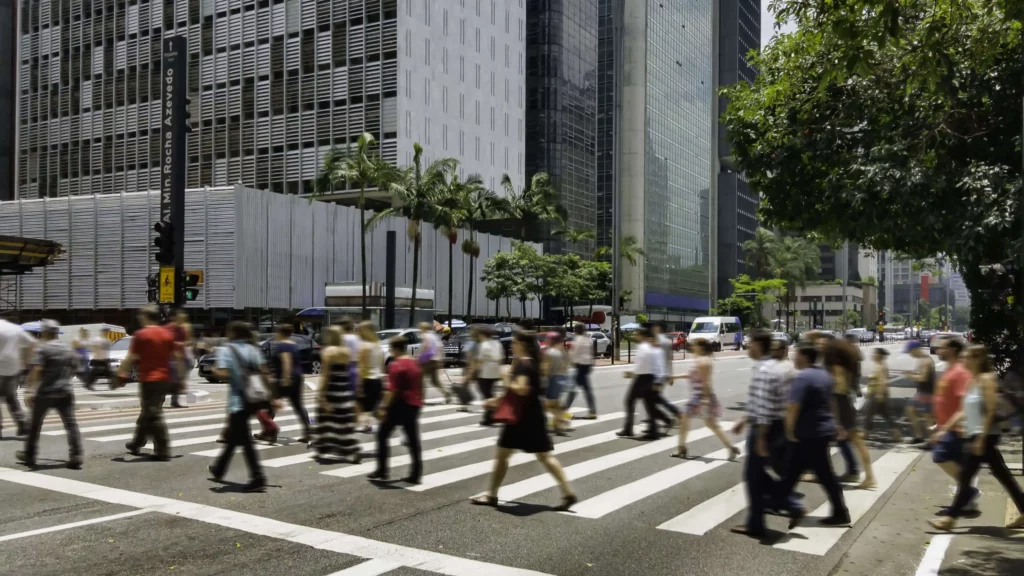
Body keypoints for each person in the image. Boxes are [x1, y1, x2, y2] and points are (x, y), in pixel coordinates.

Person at [470, 332, 576, 510]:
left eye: (514, 342)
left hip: (519, 418)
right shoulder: (533, 363)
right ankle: (568, 493)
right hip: (534, 416)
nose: (512, 346)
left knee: (502, 456)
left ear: (522, 344)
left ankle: (491, 495)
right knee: (544, 456)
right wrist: (495, 401)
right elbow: (522, 392)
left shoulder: (523, 364)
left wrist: (505, 377)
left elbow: (521, 389)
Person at [928, 345, 1024, 530]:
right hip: (977, 435)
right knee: (1003, 475)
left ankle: (950, 518)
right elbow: (963, 410)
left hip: (985, 435)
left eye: (967, 357)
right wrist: (944, 429)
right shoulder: (973, 379)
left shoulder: (987, 379)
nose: (963, 360)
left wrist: (981, 438)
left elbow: (990, 410)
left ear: (977, 358)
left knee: (966, 477)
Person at [779, 344, 851, 528]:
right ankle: (783, 504)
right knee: (792, 472)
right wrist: (836, 424)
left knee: (821, 474)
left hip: (808, 433)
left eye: (796, 354)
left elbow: (793, 406)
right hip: (822, 432)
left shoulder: (803, 377)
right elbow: (832, 401)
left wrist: (788, 430)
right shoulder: (824, 375)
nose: (793, 357)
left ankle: (839, 512)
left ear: (804, 357)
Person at [730, 330, 789, 537]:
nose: (747, 347)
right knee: (757, 474)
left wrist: (762, 437)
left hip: (765, 427)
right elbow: (758, 400)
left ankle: (787, 507)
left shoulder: (765, 369)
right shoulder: (769, 366)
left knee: (753, 476)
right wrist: (743, 419)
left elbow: (764, 405)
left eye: (750, 343)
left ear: (758, 345)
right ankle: (784, 507)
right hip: (772, 425)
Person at [208, 321, 268, 492]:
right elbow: (264, 372)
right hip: (253, 399)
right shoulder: (253, 349)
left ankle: (258, 477)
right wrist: (272, 397)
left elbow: (225, 373)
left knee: (246, 441)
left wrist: (215, 370)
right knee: (235, 438)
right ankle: (219, 469)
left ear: (232, 333)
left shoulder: (227, 350)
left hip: (238, 401)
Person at [16, 320, 83, 469]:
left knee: (35, 424)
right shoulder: (68, 349)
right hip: (65, 392)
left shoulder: (43, 349)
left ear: (45, 332)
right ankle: (76, 455)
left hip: (46, 392)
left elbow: (37, 369)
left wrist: (29, 390)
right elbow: (74, 369)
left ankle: (30, 455)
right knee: (71, 424)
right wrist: (64, 380)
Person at [117, 306, 181, 461]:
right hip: (164, 379)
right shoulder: (167, 334)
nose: (139, 318)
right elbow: (177, 356)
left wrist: (120, 374)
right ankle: (136, 443)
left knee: (154, 413)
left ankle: (163, 450)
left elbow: (131, 357)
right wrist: (180, 378)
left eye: (141, 315)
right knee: (148, 412)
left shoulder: (141, 335)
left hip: (149, 380)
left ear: (146, 317)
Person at [927, 337, 980, 510]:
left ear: (953, 350)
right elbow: (944, 399)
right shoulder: (949, 370)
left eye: (943, 348)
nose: (938, 350)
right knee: (960, 464)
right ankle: (968, 500)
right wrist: (937, 422)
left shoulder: (960, 372)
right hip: (947, 426)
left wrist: (946, 428)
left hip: (957, 428)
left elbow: (964, 403)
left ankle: (969, 492)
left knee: (940, 456)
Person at [369, 337, 424, 483]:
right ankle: (416, 473)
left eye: (391, 349)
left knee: (382, 435)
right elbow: (420, 385)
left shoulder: (396, 365)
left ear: (396, 349)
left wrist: (383, 407)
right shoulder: (415, 363)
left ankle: (382, 470)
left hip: (399, 405)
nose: (390, 351)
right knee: (413, 440)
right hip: (414, 404)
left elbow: (392, 390)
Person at [674, 339, 738, 459]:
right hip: (702, 396)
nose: (692, 346)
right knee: (711, 424)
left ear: (701, 347)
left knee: (685, 420)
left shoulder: (703, 361)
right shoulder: (702, 359)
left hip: (699, 396)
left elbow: (706, 381)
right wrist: (674, 377)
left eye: (695, 345)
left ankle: (681, 448)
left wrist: (705, 399)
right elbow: (692, 375)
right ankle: (731, 447)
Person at [825, 338, 876, 489]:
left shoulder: (837, 367)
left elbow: (838, 388)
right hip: (845, 403)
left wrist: (835, 415)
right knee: (856, 441)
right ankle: (867, 475)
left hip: (841, 405)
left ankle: (869, 477)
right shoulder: (848, 366)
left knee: (856, 441)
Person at [311, 326, 361, 464]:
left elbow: (325, 375)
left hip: (332, 390)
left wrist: (320, 394)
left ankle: (323, 447)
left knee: (325, 420)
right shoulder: (346, 351)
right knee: (344, 422)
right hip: (344, 389)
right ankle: (351, 448)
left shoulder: (328, 352)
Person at [617, 328, 664, 440]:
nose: (634, 336)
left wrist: (631, 372)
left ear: (642, 336)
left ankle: (629, 429)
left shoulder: (643, 347)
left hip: (642, 379)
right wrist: (658, 380)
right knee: (649, 405)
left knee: (629, 401)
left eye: (636, 334)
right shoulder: (651, 348)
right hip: (650, 378)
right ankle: (653, 431)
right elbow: (657, 365)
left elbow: (641, 365)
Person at [267, 325, 311, 442]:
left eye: (276, 332)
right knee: (298, 405)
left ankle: (269, 431)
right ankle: (308, 432)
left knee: (272, 403)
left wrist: (286, 379)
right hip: (298, 376)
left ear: (281, 332)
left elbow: (286, 361)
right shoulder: (293, 345)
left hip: (286, 378)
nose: (275, 334)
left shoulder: (283, 345)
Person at [0, 316, 34, 439]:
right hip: (13, 369)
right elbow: (32, 343)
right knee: (11, 397)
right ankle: (21, 424)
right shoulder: (15, 329)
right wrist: (26, 360)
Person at [863, 348, 901, 442]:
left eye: (874, 354)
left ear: (879, 355)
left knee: (868, 413)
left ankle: (866, 433)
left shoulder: (881, 366)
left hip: (877, 394)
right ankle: (897, 433)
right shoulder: (880, 365)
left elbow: (883, 382)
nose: (872, 355)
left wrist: (879, 394)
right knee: (885, 414)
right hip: (877, 393)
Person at [470, 326, 504, 426]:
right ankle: (491, 415)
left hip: (485, 373)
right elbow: (501, 358)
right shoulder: (497, 343)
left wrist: (472, 373)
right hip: (495, 371)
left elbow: (479, 361)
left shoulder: (483, 344)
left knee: (486, 395)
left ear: (482, 335)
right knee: (489, 393)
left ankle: (491, 416)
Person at [650, 321, 682, 429]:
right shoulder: (667, 342)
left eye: (654, 327)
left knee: (656, 398)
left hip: (657, 374)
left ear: (658, 328)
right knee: (656, 397)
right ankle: (668, 415)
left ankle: (674, 413)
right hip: (662, 373)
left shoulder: (656, 342)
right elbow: (670, 359)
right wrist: (671, 374)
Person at [904, 340, 936, 444]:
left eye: (910, 352)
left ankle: (932, 440)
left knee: (928, 417)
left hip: (927, 392)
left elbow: (923, 377)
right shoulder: (922, 359)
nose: (910, 354)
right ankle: (919, 436)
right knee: (910, 410)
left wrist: (910, 375)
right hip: (921, 392)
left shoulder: (925, 360)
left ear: (915, 350)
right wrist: (912, 373)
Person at [356, 321, 385, 434]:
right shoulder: (379, 345)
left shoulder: (364, 347)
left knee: (360, 404)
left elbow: (361, 366)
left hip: (367, 379)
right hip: (377, 379)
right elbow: (382, 365)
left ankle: (366, 425)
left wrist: (359, 384)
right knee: (373, 408)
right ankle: (367, 425)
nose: (359, 333)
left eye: (361, 330)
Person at [564, 323, 597, 419]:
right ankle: (592, 411)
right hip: (586, 367)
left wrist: (569, 363)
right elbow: (592, 353)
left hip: (579, 367)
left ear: (577, 330)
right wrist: (591, 364)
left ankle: (563, 410)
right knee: (587, 390)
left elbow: (573, 354)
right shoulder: (588, 339)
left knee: (572, 390)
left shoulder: (577, 340)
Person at [542, 331, 570, 434]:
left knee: (548, 405)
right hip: (562, 378)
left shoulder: (549, 352)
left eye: (547, 339)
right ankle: (558, 426)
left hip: (553, 380)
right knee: (556, 404)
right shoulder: (559, 352)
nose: (545, 340)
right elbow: (566, 364)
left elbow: (545, 369)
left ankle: (562, 420)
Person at [418, 322, 451, 403]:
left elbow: (425, 347)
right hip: (436, 360)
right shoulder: (434, 336)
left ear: (423, 329)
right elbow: (440, 347)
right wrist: (441, 360)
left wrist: (419, 357)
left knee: (421, 380)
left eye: (420, 328)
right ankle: (447, 393)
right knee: (435, 381)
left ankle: (420, 398)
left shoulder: (425, 335)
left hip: (427, 361)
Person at [167, 310, 194, 408]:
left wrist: (185, 344)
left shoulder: (182, 329)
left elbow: (186, 341)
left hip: (180, 357)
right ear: (173, 318)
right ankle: (160, 401)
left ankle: (175, 400)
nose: (180, 320)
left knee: (178, 379)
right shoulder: (168, 328)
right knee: (168, 380)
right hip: (169, 357)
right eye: (178, 318)